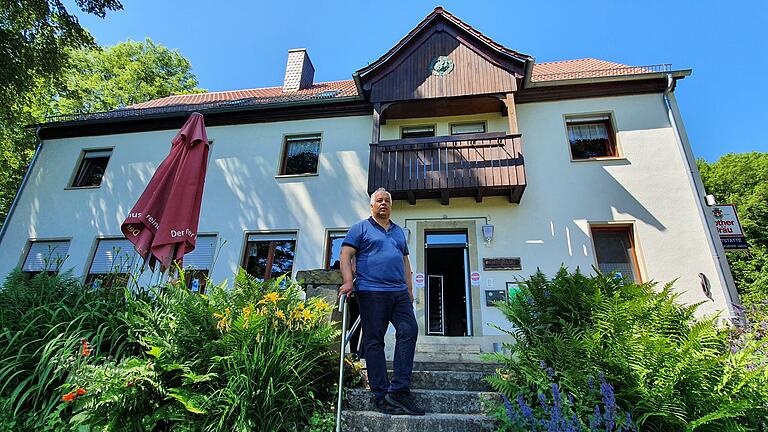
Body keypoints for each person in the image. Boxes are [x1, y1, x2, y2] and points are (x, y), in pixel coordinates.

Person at [338, 188, 425, 416]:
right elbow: (345, 254)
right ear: (372, 206)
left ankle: (399, 391)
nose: (383, 203)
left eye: (387, 200)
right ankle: (380, 394)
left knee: (409, 331)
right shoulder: (361, 228)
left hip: (399, 294)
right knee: (374, 341)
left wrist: (409, 289)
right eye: (379, 200)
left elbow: (405, 263)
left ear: (391, 205)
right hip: (372, 292)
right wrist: (348, 281)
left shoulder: (398, 232)